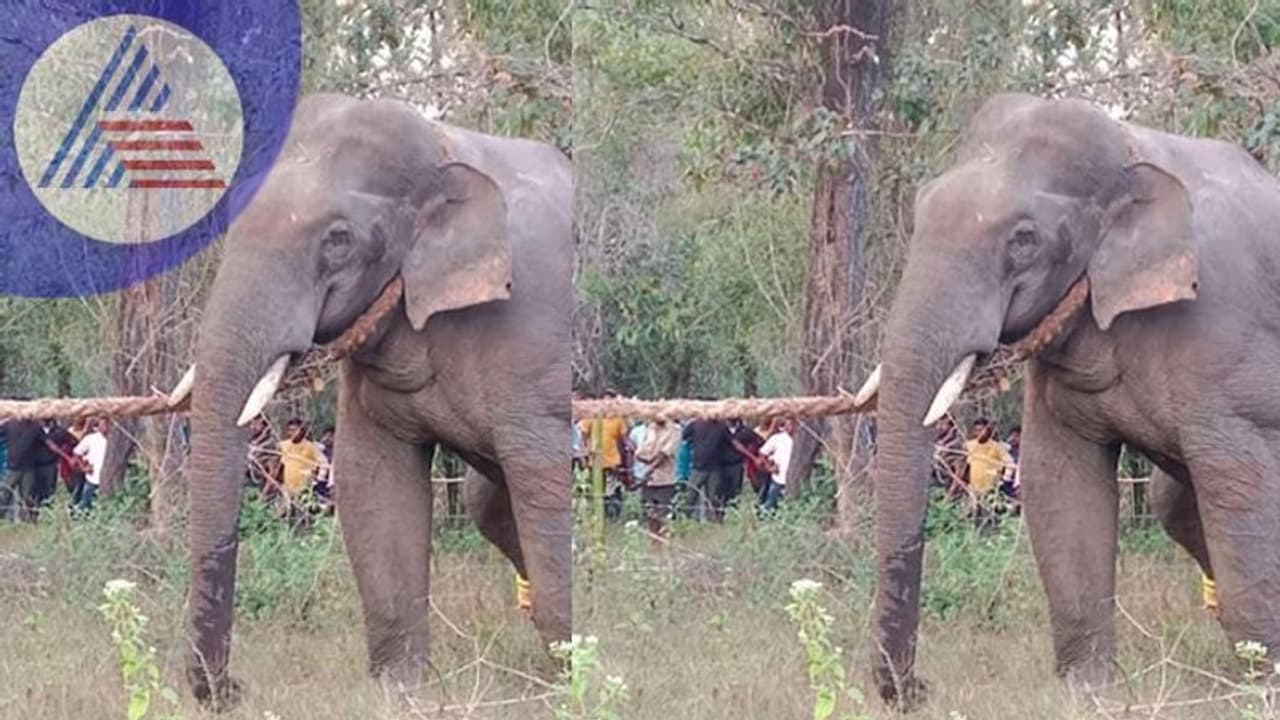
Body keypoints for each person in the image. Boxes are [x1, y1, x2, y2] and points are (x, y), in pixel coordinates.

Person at [583, 391, 629, 521]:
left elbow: (624, 440)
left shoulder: (618, 419)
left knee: (613, 490)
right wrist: (588, 450)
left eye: (611, 401)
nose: (607, 404)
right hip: (595, 462)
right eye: (605, 400)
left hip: (613, 461)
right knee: (596, 490)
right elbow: (584, 435)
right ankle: (597, 516)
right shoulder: (592, 417)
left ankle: (613, 517)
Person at [635, 417, 681, 541]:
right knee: (650, 514)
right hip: (648, 480)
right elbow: (641, 452)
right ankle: (654, 543)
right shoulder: (651, 428)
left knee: (664, 515)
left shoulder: (674, 430)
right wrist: (646, 461)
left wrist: (649, 467)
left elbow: (664, 454)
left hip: (665, 480)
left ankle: (665, 542)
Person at [682, 415, 731, 521]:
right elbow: (684, 436)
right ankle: (685, 518)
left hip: (715, 468)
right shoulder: (696, 424)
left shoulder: (721, 426)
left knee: (713, 497)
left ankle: (714, 521)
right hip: (698, 466)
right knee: (691, 495)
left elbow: (730, 442)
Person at [277, 418, 325, 514]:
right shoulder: (283, 445)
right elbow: (279, 465)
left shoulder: (311, 447)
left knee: (303, 512)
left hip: (304, 489)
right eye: (290, 430)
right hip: (287, 488)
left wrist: (316, 479)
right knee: (285, 513)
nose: (292, 433)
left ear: (302, 430)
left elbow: (323, 464)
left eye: (295, 430)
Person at [721, 417, 763, 515]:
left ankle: (734, 513)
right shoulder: (721, 429)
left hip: (737, 464)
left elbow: (759, 441)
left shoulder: (745, 431)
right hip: (721, 465)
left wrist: (751, 451)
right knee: (722, 491)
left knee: (735, 491)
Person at [72, 417, 110, 514]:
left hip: (109, 480)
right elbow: (76, 452)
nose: (105, 427)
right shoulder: (91, 438)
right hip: (93, 479)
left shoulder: (114, 440)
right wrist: (83, 467)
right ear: (98, 426)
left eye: (107, 424)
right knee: (85, 506)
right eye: (103, 424)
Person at [759, 418, 795, 512]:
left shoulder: (801, 440)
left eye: (793, 424)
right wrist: (769, 467)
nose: (791, 427)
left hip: (794, 479)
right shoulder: (778, 438)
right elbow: (763, 453)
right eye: (789, 425)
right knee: (770, 506)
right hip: (778, 479)